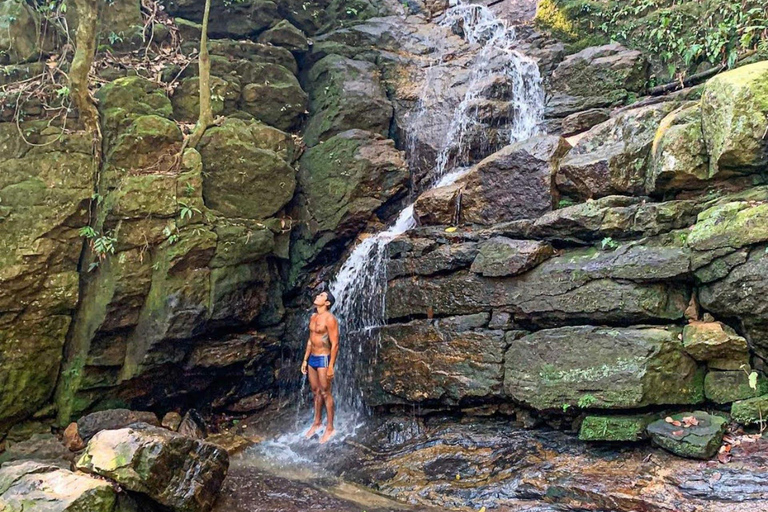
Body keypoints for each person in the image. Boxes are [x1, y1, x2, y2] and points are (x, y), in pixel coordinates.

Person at [301, 290, 339, 444]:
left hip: (324, 358)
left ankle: (330, 428)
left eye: (322, 296)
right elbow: (310, 340)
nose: (318, 296)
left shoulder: (330, 319)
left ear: (327, 303)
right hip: (312, 359)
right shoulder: (313, 316)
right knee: (315, 391)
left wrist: (331, 366)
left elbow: (335, 344)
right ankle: (317, 423)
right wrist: (304, 360)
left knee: (325, 392)